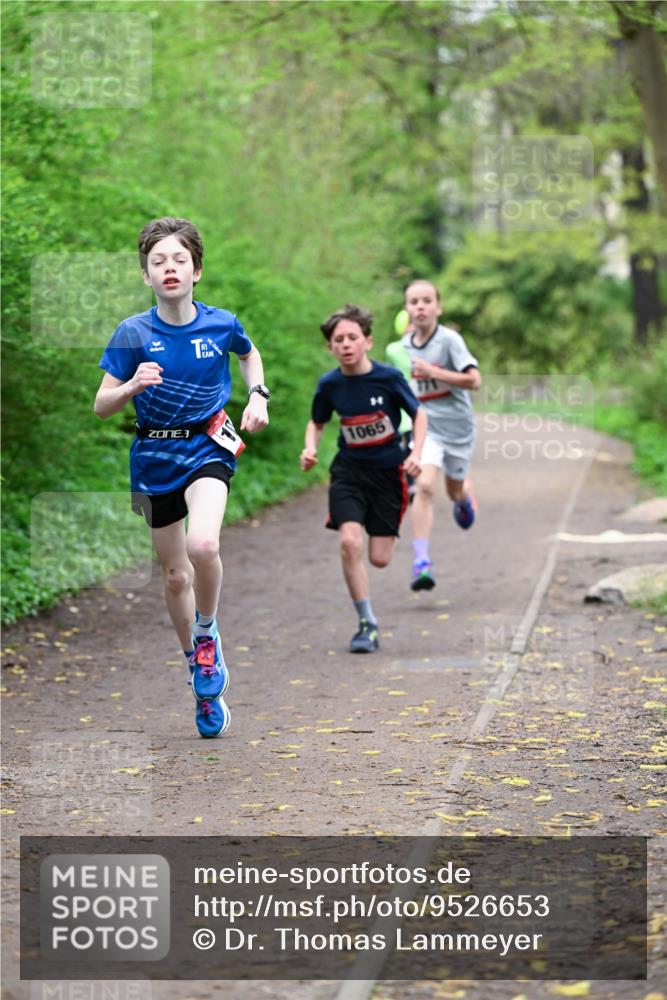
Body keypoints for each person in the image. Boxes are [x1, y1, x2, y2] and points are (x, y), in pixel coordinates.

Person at [94, 217, 270, 738]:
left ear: (196, 270)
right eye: (158, 262)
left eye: (179, 260)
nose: (169, 268)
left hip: (208, 445)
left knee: (204, 543)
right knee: (174, 576)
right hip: (153, 456)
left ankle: (207, 631)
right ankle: (199, 674)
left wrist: (257, 395)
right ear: (146, 276)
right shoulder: (133, 333)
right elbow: (102, 405)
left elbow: (249, 353)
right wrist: (129, 387)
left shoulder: (220, 323)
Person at [300, 304, 426, 653]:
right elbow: (318, 422)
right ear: (330, 348)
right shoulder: (330, 384)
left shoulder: (388, 379)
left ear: (367, 341)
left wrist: (416, 454)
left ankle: (382, 521)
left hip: (388, 474)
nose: (345, 344)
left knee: (380, 558)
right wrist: (310, 448)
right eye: (338, 339)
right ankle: (367, 624)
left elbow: (419, 415)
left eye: (352, 337)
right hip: (348, 473)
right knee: (349, 543)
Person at [402, 280, 481, 592]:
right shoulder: (405, 344)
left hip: (458, 428)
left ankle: (465, 497)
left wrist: (435, 373)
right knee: (422, 485)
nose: (420, 306)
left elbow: (474, 381)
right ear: (407, 309)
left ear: (438, 306)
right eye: (414, 302)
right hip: (427, 426)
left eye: (426, 300)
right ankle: (421, 561)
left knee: (453, 492)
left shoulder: (450, 341)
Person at [385, 308, 416, 501]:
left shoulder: (426, 347)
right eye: (409, 324)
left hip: (423, 402)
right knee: (404, 444)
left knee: (413, 444)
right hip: (401, 403)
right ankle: (408, 483)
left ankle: (412, 482)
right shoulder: (394, 350)